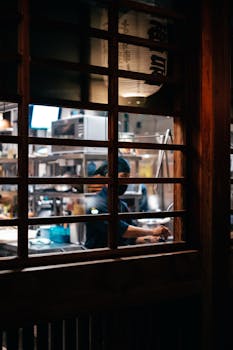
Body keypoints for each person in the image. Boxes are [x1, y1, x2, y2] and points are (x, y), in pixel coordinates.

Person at [85, 157, 171, 249]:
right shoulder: (95, 205)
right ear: (108, 176)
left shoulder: (122, 205)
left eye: (128, 178)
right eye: (123, 177)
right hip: (97, 258)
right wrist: (152, 231)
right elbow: (121, 230)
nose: (125, 182)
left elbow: (132, 238)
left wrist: (151, 239)